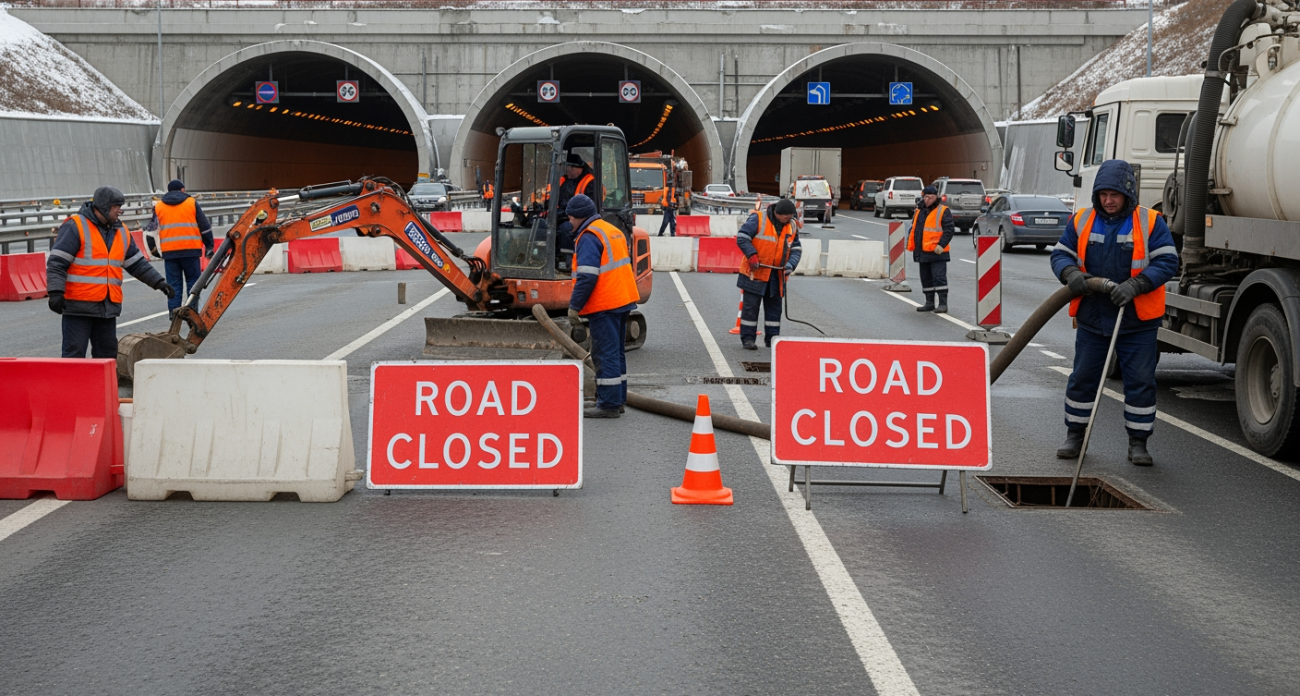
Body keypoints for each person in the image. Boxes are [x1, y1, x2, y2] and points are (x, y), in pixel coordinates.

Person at [1050, 159, 1179, 466]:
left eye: (1115, 195)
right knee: (1083, 378)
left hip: (1137, 321)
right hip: (1094, 318)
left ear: (1128, 195)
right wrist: (1070, 274)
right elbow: (1061, 254)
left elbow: (1167, 262)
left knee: (1140, 381)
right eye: (1104, 194)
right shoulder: (1081, 220)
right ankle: (1074, 436)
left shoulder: (1150, 222)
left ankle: (1138, 442)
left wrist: (1137, 285)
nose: (1109, 200)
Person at [46, 186, 174, 359]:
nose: (120, 210)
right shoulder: (75, 226)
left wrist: (159, 282)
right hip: (78, 308)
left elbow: (137, 264)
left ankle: (102, 387)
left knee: (107, 356)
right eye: (117, 206)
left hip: (107, 308)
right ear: (104, 207)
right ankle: (75, 387)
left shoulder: (121, 231)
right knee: (74, 356)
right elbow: (57, 263)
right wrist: (55, 292)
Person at [565, 195, 639, 418]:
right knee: (616, 353)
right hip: (622, 299)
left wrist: (574, 307)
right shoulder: (609, 229)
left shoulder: (589, 236)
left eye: (570, 218)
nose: (569, 223)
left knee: (604, 353)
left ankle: (608, 405)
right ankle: (618, 399)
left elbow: (587, 277)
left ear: (578, 216)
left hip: (605, 302)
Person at [735, 198, 802, 350]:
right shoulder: (758, 219)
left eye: (790, 217)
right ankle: (748, 339)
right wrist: (752, 255)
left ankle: (772, 339)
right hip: (755, 272)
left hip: (776, 275)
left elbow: (796, 249)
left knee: (774, 309)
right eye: (785, 217)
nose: (787, 220)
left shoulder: (791, 225)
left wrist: (790, 265)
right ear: (777, 214)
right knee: (750, 308)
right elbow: (742, 237)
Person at [148, 179, 213, 314]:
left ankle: (174, 314)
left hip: (170, 252)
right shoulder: (191, 203)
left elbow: (151, 230)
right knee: (193, 282)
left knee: (173, 285)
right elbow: (205, 227)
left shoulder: (159, 206)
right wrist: (209, 247)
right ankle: (192, 312)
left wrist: (154, 251)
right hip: (191, 250)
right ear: (183, 190)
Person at [908, 185, 955, 313]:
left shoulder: (943, 210)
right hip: (922, 251)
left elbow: (949, 230)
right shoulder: (919, 211)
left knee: (939, 277)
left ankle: (943, 303)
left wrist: (941, 245)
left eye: (931, 197)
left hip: (937, 252)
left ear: (936, 197)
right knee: (926, 278)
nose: (928, 200)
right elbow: (915, 229)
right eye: (926, 197)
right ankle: (929, 302)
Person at [555, 153, 596, 250]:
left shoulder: (590, 182)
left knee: (565, 229)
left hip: (580, 219)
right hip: (560, 216)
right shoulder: (563, 180)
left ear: (577, 168)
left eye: (568, 169)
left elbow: (588, 209)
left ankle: (567, 257)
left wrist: (566, 212)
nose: (567, 172)